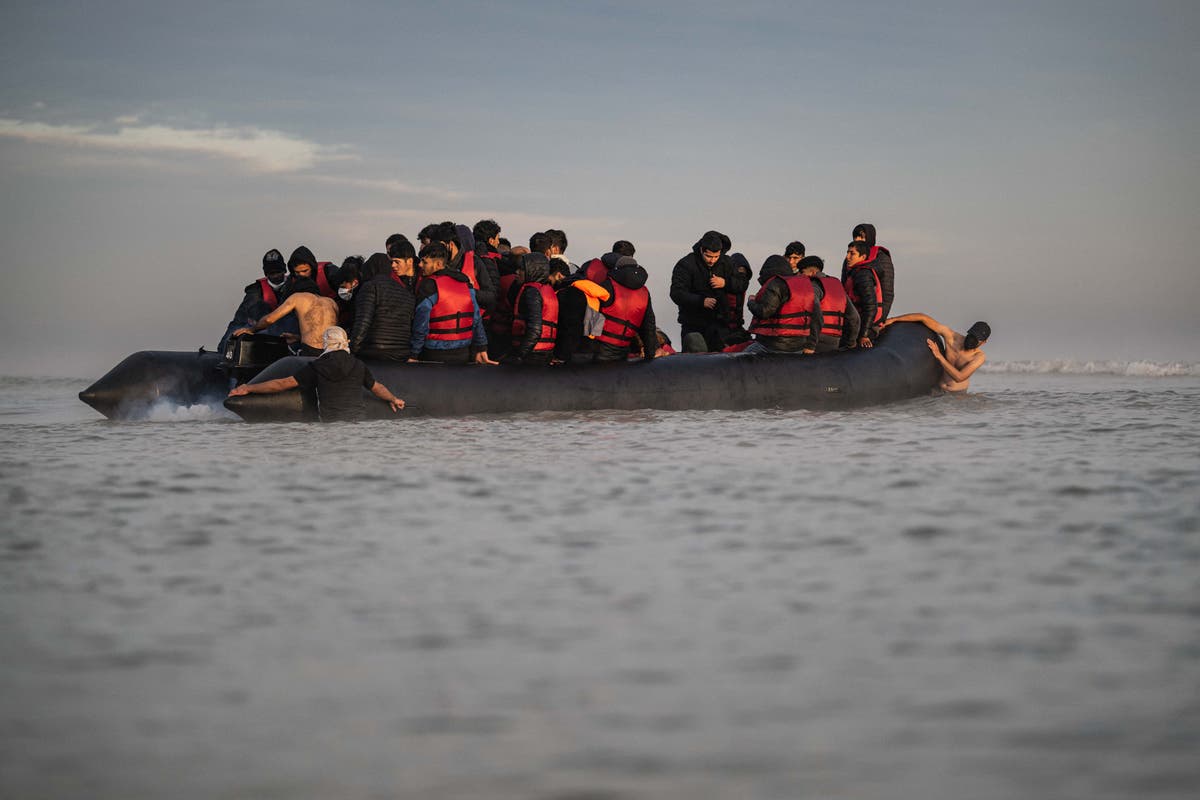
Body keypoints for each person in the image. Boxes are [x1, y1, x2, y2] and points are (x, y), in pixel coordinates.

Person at [227, 326, 404, 422]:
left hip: (330, 425)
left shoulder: (318, 366)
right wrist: (393, 399)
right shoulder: (358, 365)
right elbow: (377, 387)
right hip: (358, 423)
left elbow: (283, 384)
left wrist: (249, 387)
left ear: (326, 343)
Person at [410, 242, 495, 365]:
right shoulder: (465, 283)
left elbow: (421, 323)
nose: (420, 265)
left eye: (424, 262)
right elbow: (476, 318)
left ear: (438, 264)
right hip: (463, 352)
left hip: (434, 354)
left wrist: (414, 354)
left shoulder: (429, 286)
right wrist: (482, 347)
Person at [670, 230, 747, 352]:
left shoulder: (727, 263)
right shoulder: (686, 264)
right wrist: (701, 301)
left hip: (720, 326)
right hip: (693, 324)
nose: (712, 260)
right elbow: (676, 293)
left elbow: (742, 283)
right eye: (709, 256)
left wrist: (725, 283)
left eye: (716, 256)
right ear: (701, 250)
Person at [232, 276, 339, 356]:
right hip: (331, 352)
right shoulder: (331, 302)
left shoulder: (298, 297)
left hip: (310, 352)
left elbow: (269, 319)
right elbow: (325, 332)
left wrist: (251, 329)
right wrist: (298, 337)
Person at [881, 314, 991, 391]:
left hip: (957, 396)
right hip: (937, 390)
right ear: (969, 331)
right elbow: (923, 318)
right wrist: (894, 319)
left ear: (984, 342)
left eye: (977, 339)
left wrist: (939, 356)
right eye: (971, 335)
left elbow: (959, 377)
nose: (972, 340)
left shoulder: (978, 357)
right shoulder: (952, 338)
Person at [219, 248, 295, 351]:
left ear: (285, 270)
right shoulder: (255, 292)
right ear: (266, 274)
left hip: (289, 332)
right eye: (272, 273)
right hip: (264, 332)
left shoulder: (296, 286)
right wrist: (223, 348)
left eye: (278, 272)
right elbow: (238, 322)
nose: (276, 276)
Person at [744, 255, 821, 354]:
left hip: (773, 344)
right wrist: (811, 345)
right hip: (798, 346)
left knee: (742, 357)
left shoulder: (775, 284)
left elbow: (764, 311)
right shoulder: (805, 287)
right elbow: (817, 317)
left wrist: (751, 302)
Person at [351, 250, 416, 361]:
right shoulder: (406, 292)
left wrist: (353, 349)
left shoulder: (370, 286)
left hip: (373, 352)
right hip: (401, 353)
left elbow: (363, 321)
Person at [594, 256, 656, 362]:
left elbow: (594, 314)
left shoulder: (607, 285)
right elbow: (648, 326)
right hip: (624, 349)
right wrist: (650, 354)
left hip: (601, 347)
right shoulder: (644, 293)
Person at [798, 255, 860, 353]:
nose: (799, 275)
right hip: (834, 341)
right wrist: (851, 344)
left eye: (802, 272)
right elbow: (854, 318)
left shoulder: (813, 286)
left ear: (812, 272)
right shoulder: (838, 286)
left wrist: (810, 345)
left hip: (816, 341)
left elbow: (816, 315)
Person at [508, 252, 559, 365]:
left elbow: (535, 329)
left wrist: (519, 355)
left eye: (521, 269)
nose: (517, 272)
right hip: (545, 352)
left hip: (532, 355)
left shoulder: (532, 292)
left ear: (532, 271)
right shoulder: (546, 290)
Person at [841, 223, 896, 321]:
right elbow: (844, 286)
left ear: (870, 237)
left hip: (872, 315)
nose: (857, 240)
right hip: (852, 314)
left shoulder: (881, 258)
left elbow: (887, 292)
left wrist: (881, 319)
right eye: (855, 237)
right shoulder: (849, 259)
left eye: (861, 237)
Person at [843, 241, 883, 349]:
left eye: (852, 253)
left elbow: (870, 306)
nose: (847, 257)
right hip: (859, 324)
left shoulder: (863, 275)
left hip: (864, 327)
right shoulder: (856, 273)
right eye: (847, 253)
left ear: (863, 257)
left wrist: (864, 335)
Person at [333, 256, 362, 330]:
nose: (341, 290)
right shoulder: (343, 299)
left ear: (355, 283)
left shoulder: (362, 298)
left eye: (343, 287)